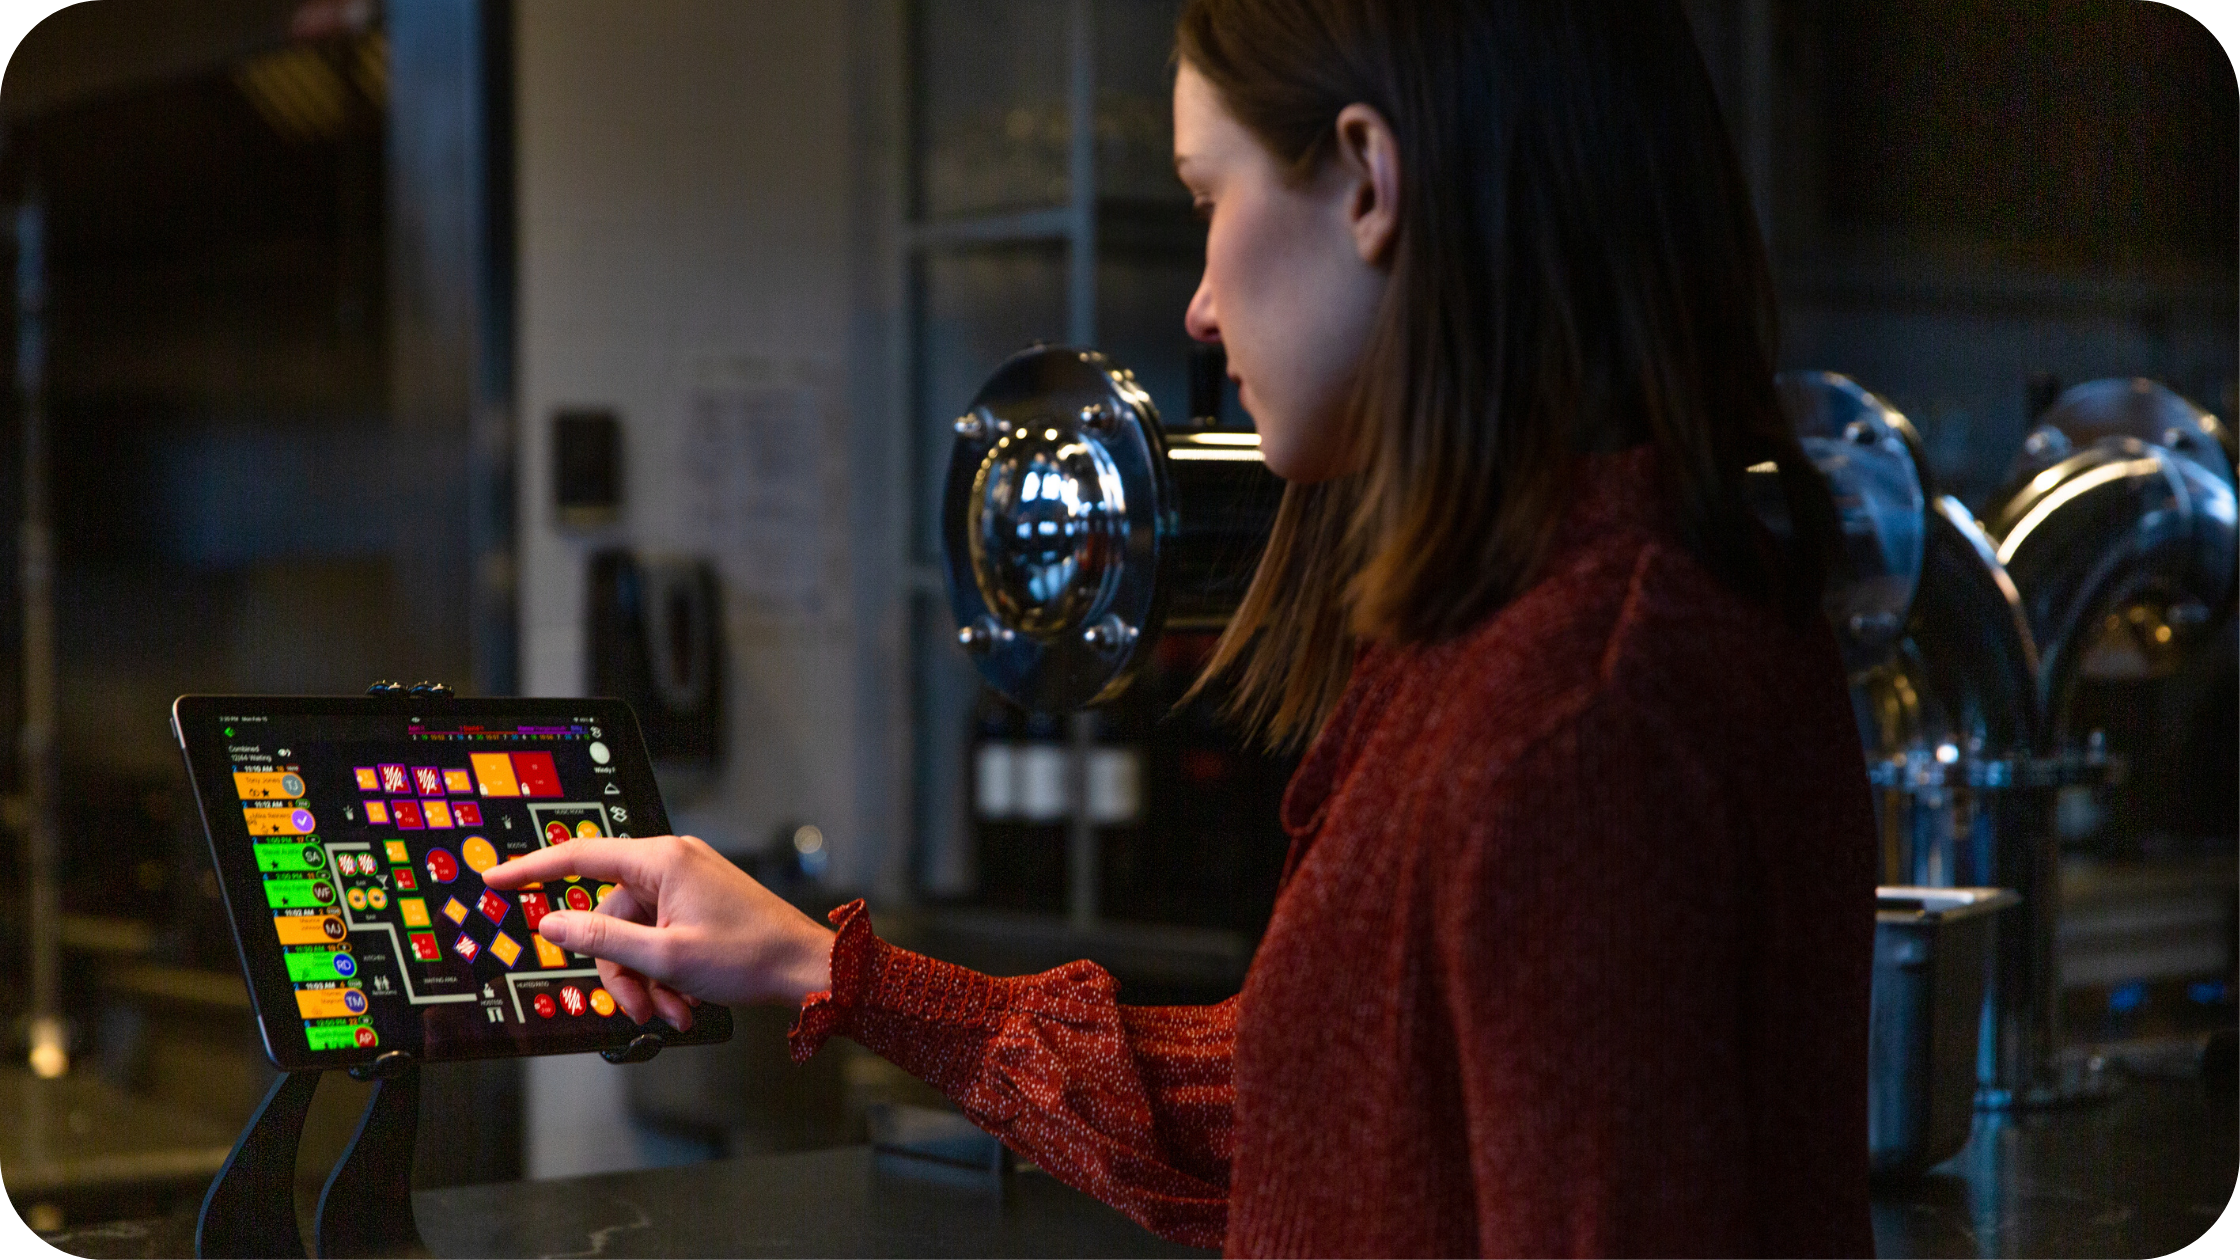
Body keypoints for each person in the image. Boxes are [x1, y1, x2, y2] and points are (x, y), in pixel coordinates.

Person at [484, 0, 1878, 1254]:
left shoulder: (1578, 712)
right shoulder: (1545, 639)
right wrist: (823, 965)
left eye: (1209, 196)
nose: (1201, 312)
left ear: (1370, 179)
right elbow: (1304, 1122)